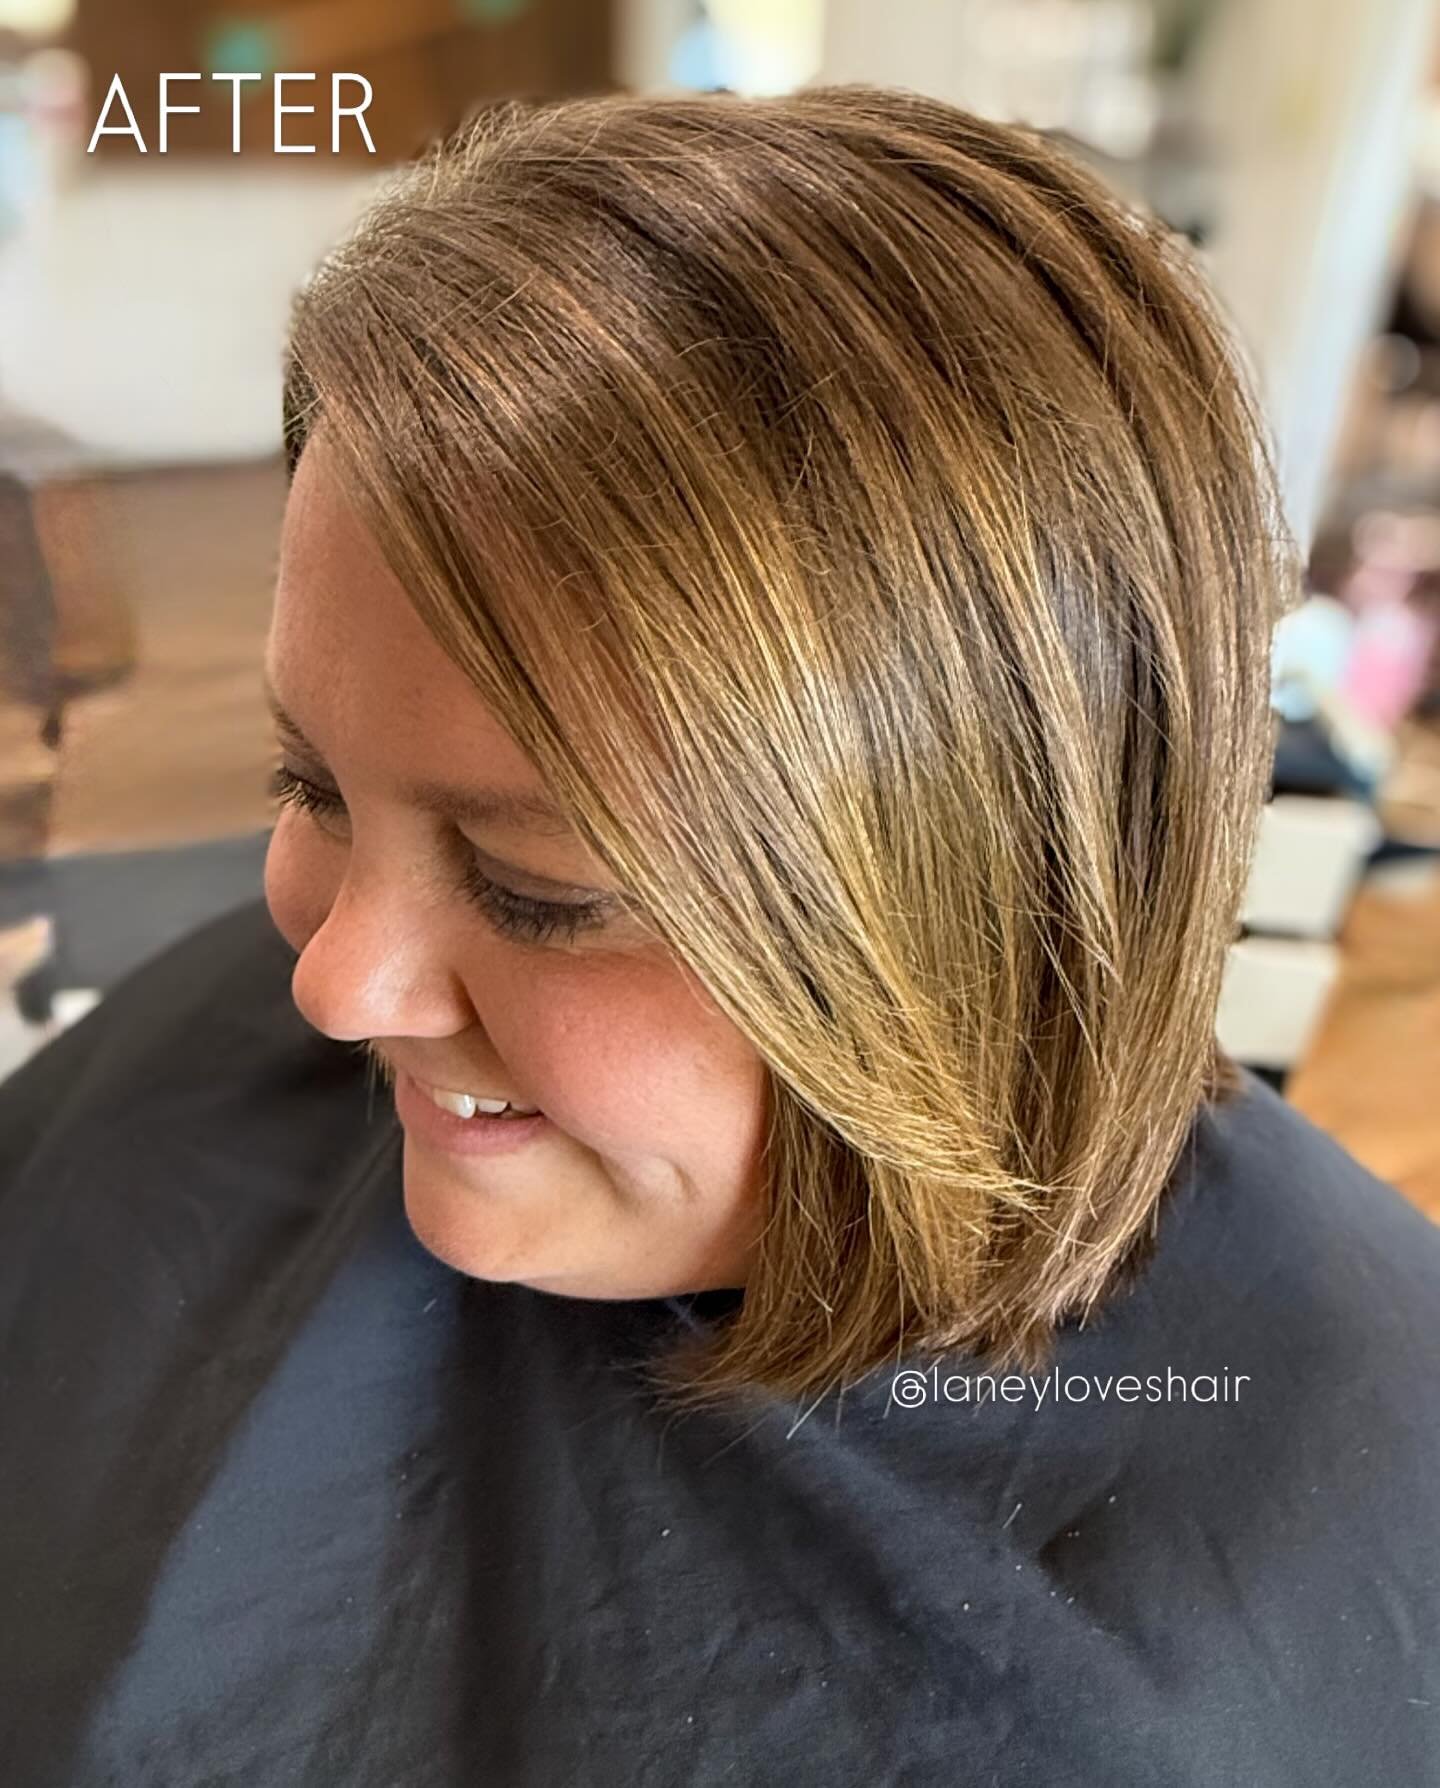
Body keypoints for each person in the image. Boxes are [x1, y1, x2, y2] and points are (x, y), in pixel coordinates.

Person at [2, 84, 1438, 1787]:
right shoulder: (240, 1069)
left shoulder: (1185, 1674)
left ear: (983, 918)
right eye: (307, 784)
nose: (331, 982)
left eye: (543, 892)